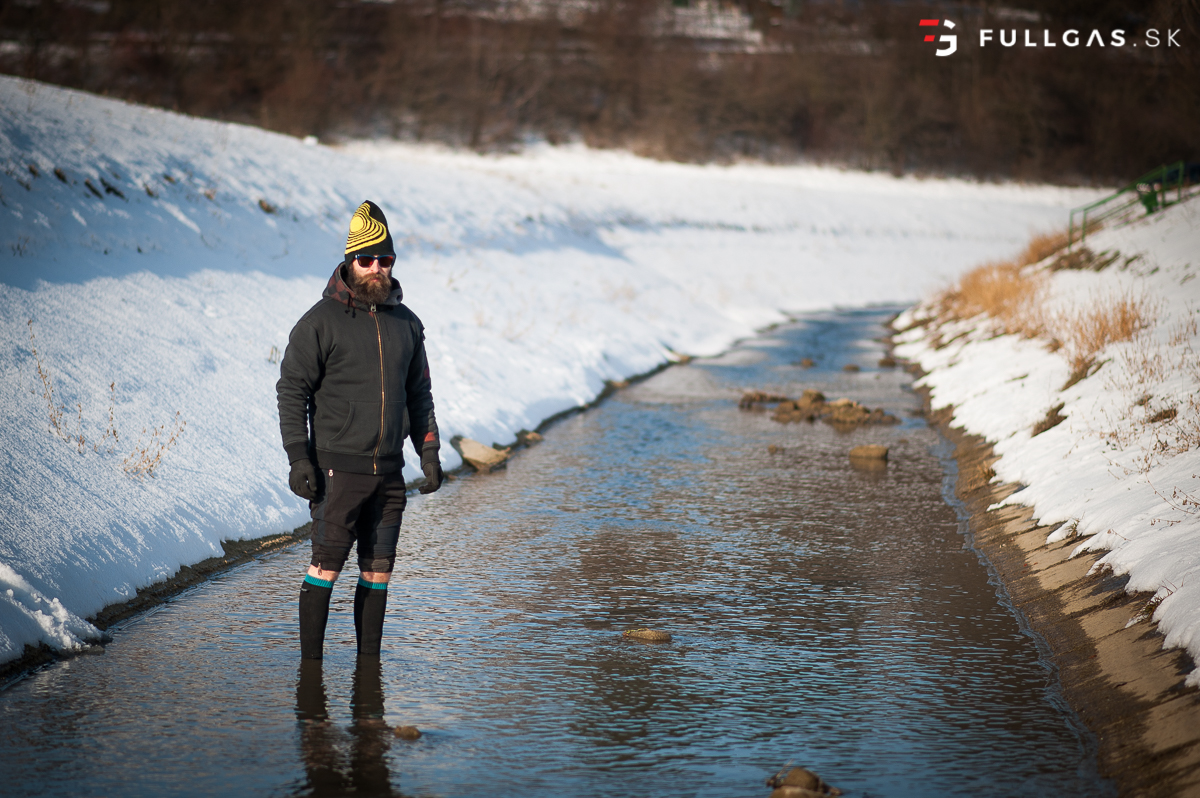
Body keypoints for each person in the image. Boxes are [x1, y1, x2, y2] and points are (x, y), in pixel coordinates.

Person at [277, 200, 443, 659]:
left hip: (389, 475)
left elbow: (420, 395)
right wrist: (299, 458)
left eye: (385, 260)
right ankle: (310, 678)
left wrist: (428, 452)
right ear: (350, 261)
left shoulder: (407, 325)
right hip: (337, 473)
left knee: (378, 572)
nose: (376, 269)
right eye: (367, 259)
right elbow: (292, 391)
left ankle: (368, 677)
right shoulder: (319, 322)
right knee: (326, 569)